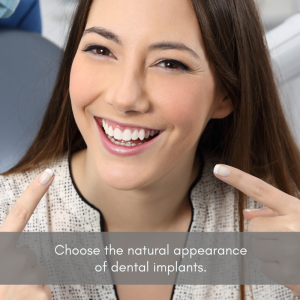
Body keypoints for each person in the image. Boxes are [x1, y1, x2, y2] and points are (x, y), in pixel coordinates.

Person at [1, 0, 300, 299]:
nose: (125, 98)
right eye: (101, 50)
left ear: (225, 94)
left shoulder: (289, 234)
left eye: (170, 63)